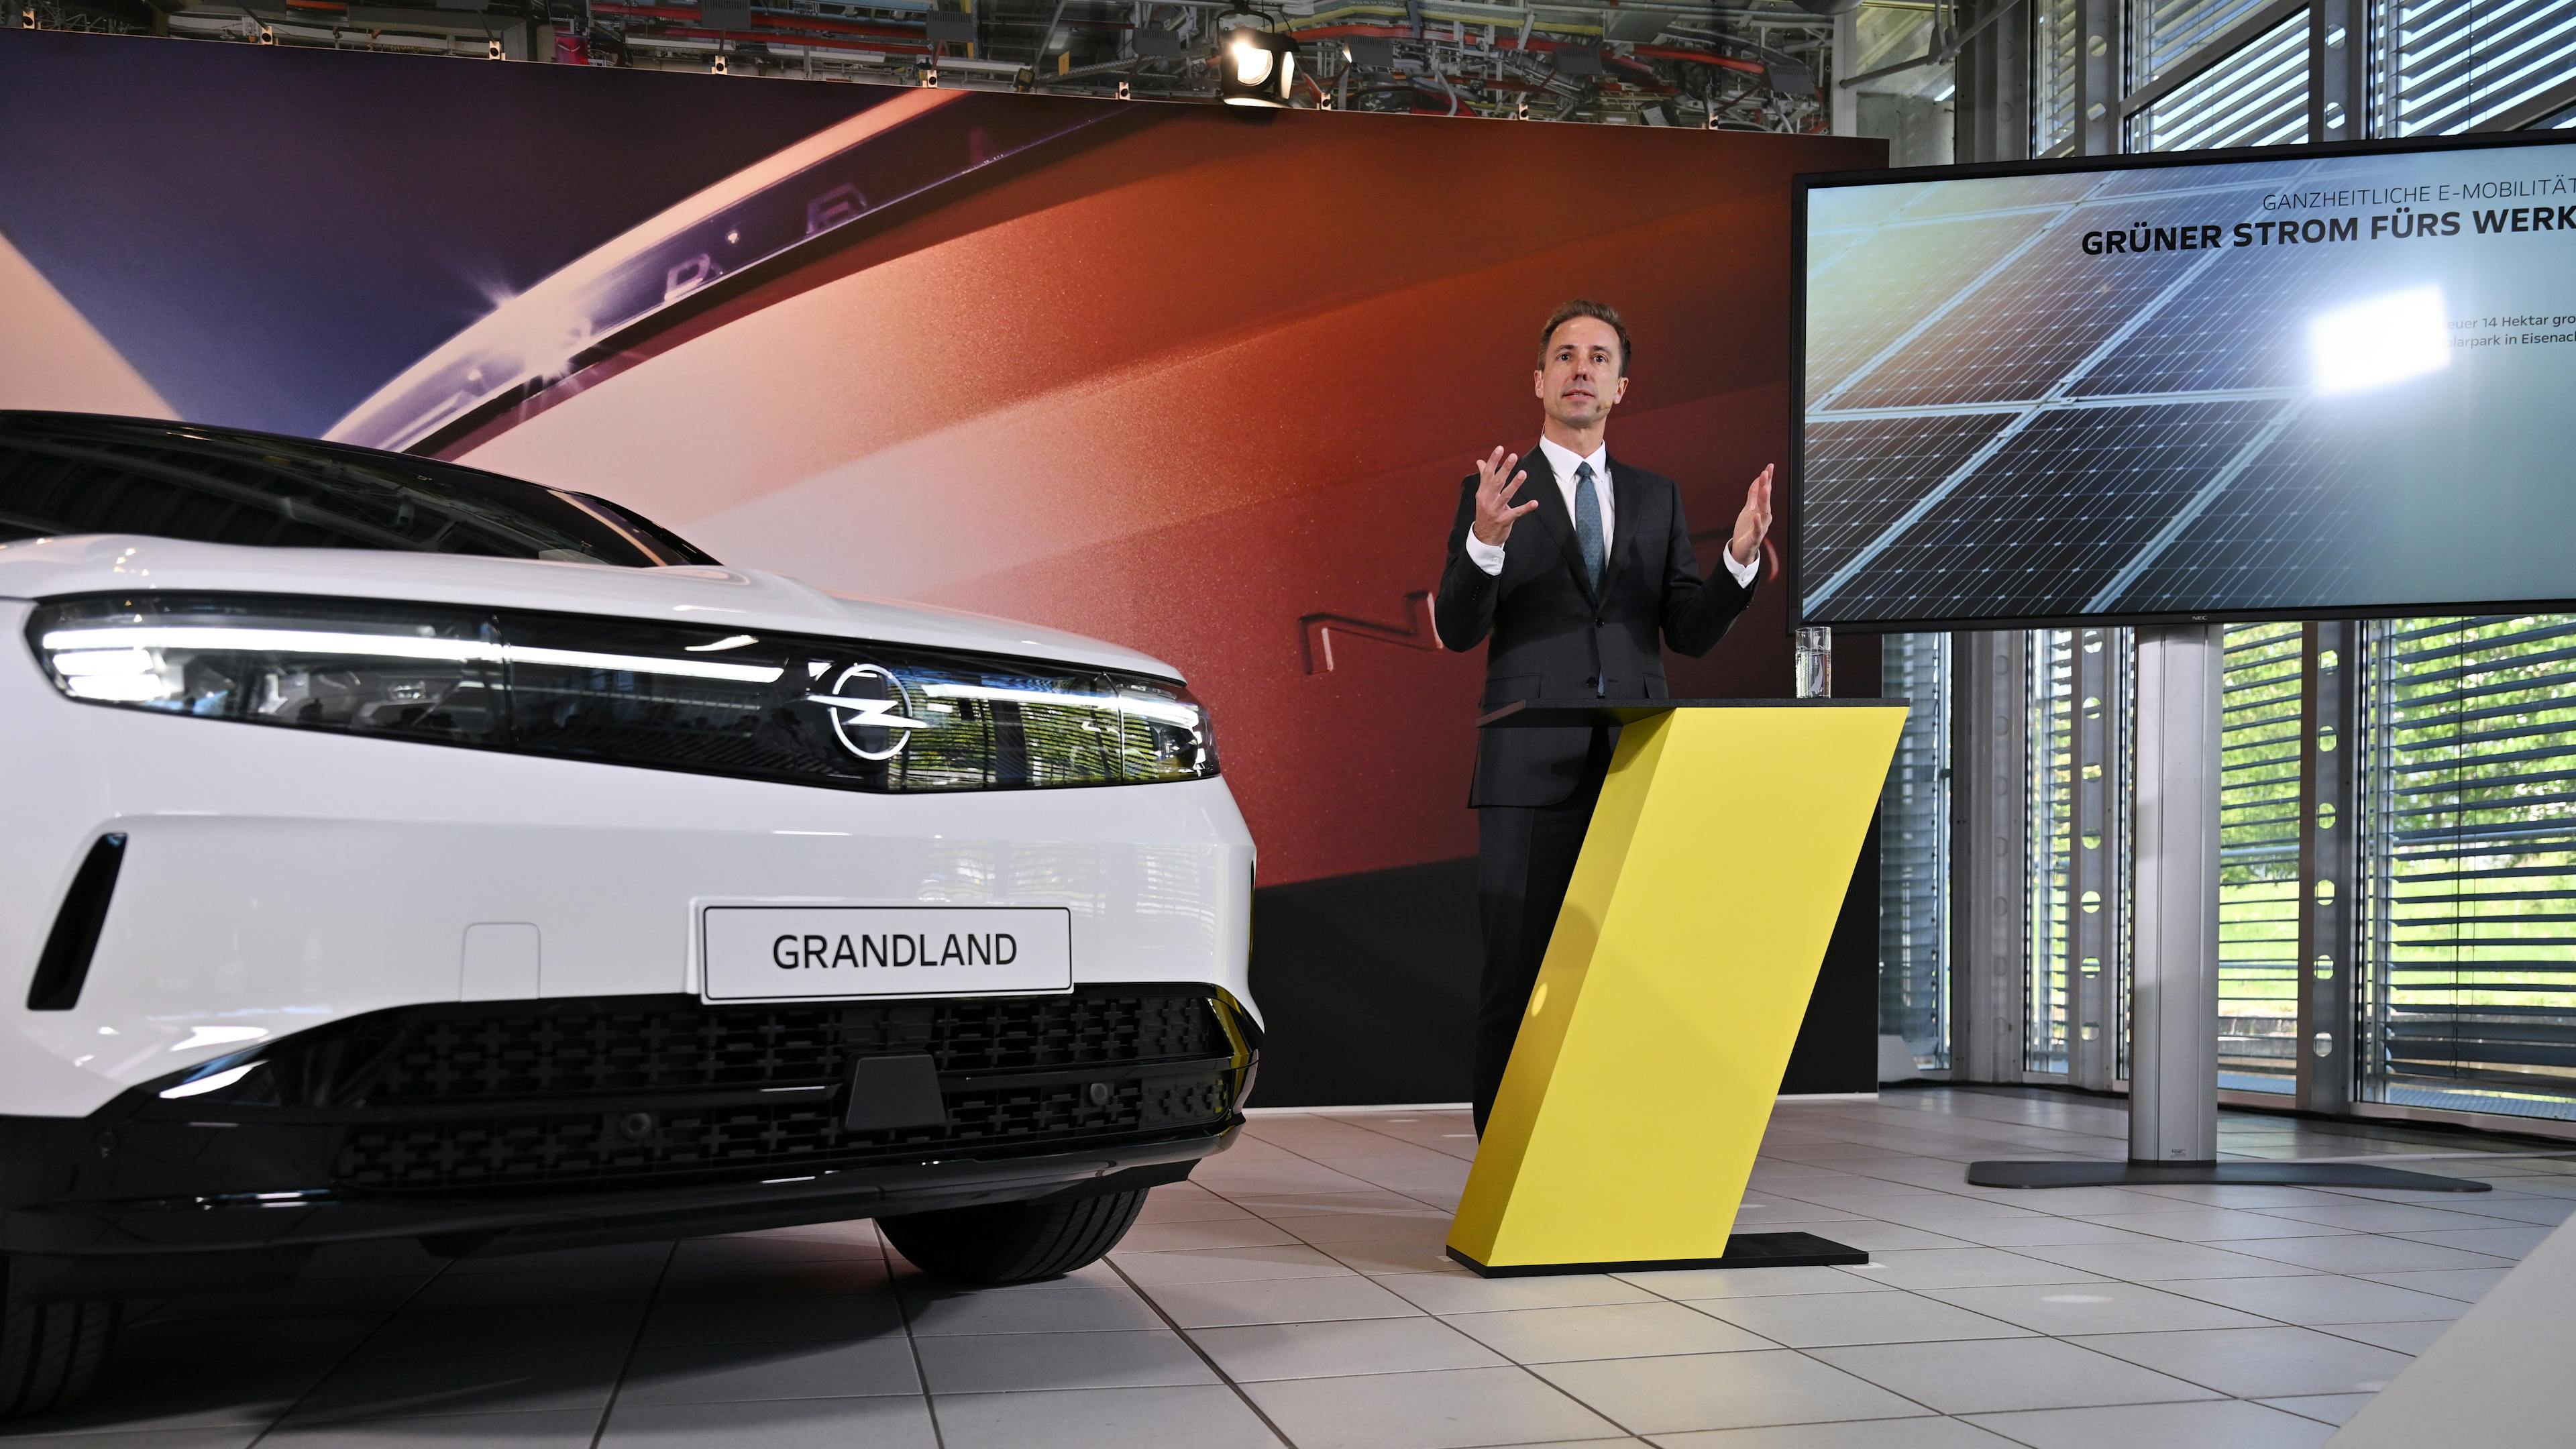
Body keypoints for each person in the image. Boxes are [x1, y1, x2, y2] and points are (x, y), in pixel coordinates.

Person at [1434, 299, 1774, 1136]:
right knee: (1517, 976)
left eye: (1598, 358)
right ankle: (1506, 1167)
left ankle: (1607, 1150)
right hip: (1526, 772)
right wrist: (1483, 541)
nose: (1581, 369)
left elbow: (1688, 635)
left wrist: (1735, 562)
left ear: (1621, 385)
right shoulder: (1494, 493)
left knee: (1630, 975)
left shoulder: (1658, 498)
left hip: (1633, 765)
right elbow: (1456, 627)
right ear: (1540, 378)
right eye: (1566, 356)